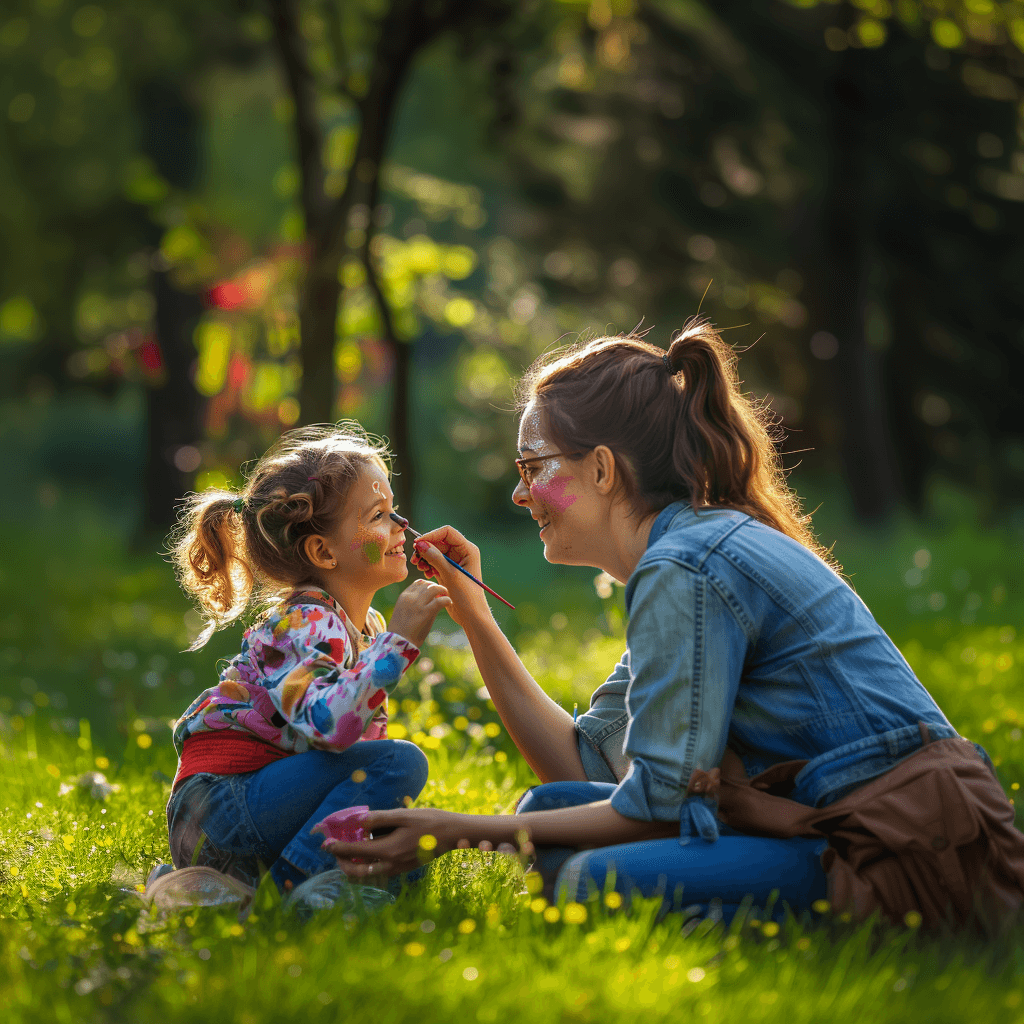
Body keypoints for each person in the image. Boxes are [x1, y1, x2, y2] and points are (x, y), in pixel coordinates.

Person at [327, 323, 1024, 929]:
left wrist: (459, 831)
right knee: (550, 810)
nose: (518, 492)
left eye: (533, 467)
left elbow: (655, 804)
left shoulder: (685, 568)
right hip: (835, 830)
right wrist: (475, 616)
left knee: (581, 877)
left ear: (601, 469)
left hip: (900, 856)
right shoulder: (681, 555)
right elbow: (588, 765)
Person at [164, 423, 450, 897]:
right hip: (217, 809)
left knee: (409, 860)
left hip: (265, 805)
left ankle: (231, 890)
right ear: (323, 551)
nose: (402, 525)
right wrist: (398, 644)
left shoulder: (365, 626)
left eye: (394, 509)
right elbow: (328, 726)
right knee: (399, 765)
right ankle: (279, 901)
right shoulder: (303, 622)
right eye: (379, 515)